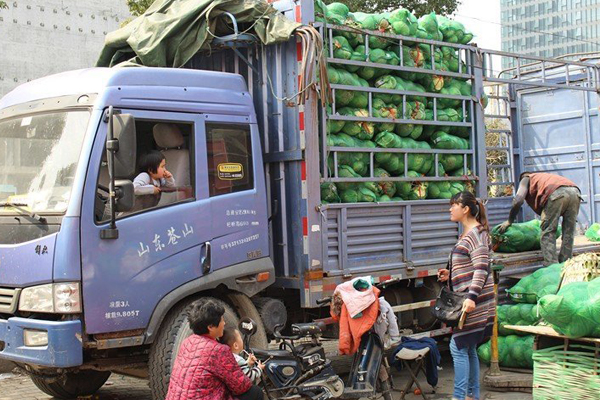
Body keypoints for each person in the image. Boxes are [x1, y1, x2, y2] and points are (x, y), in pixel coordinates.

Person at [438, 191, 495, 400]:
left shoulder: (476, 235)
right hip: (471, 297)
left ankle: (460, 396)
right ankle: (472, 396)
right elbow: (470, 265)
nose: (450, 209)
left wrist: (471, 297)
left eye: (454, 205)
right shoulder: (469, 233)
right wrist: (450, 274)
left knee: (458, 345)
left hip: (474, 300)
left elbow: (481, 269)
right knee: (468, 346)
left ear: (466, 209)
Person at [165, 299, 263, 400]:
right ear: (210, 327)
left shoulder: (187, 342)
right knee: (255, 392)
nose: (224, 323)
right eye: (221, 320)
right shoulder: (218, 350)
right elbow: (241, 386)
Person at [497, 172, 581, 266]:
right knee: (569, 233)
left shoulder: (526, 178)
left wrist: (510, 220)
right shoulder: (546, 178)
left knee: (548, 232)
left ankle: (551, 266)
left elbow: (518, 200)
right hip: (576, 193)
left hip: (557, 194)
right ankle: (566, 264)